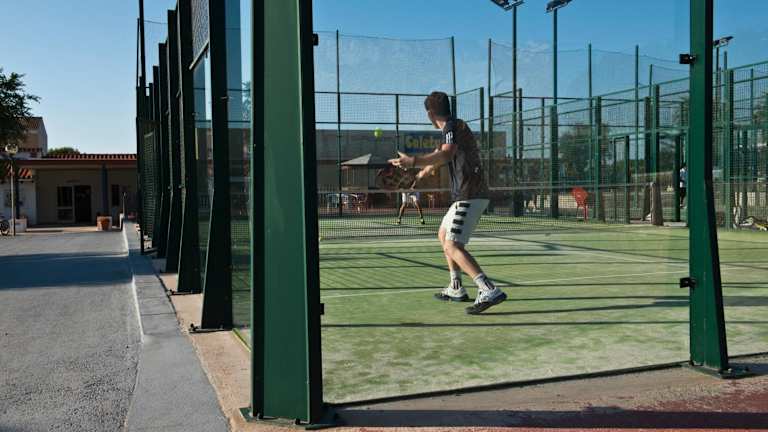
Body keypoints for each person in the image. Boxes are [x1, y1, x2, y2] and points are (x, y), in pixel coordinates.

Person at [389, 91, 507, 314]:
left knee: (453, 245)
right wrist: (420, 174)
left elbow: (446, 154)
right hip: (464, 195)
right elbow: (439, 155)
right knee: (443, 235)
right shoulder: (453, 128)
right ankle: (456, 287)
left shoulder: (452, 127)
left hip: (469, 194)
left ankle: (488, 289)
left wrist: (412, 161)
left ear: (430, 114)